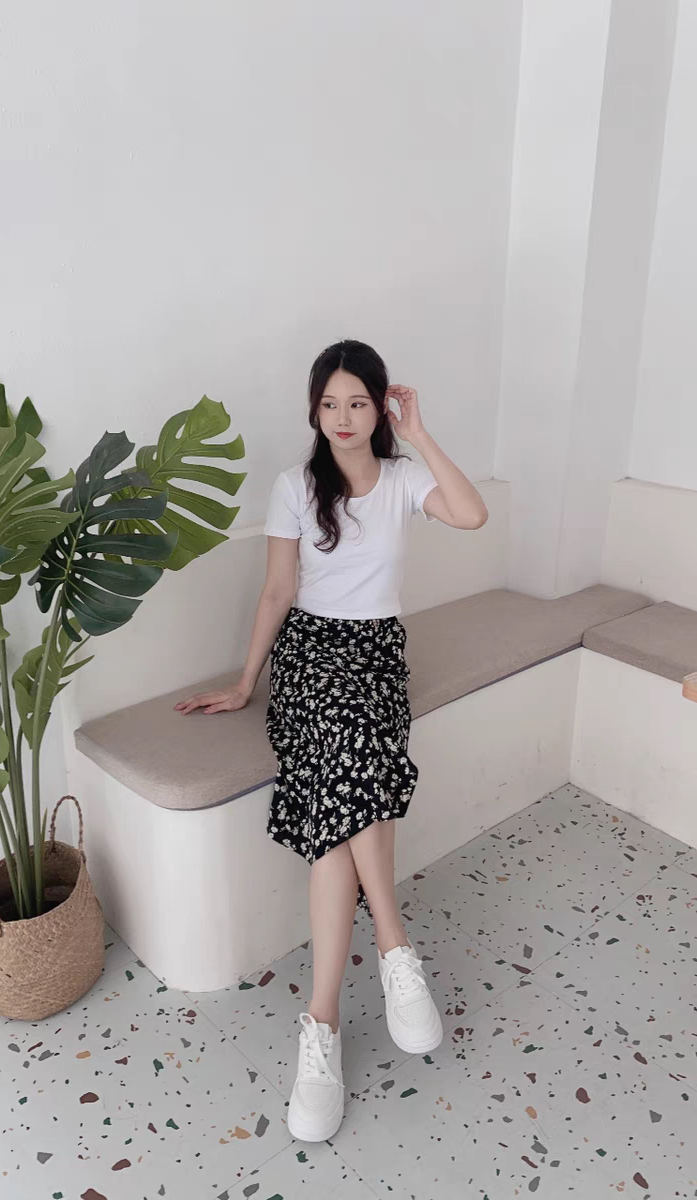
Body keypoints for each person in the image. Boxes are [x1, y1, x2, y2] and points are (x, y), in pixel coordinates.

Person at [174, 339, 488, 1142]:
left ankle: (321, 1024)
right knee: (353, 755)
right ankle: (395, 948)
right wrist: (247, 683)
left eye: (358, 403)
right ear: (313, 411)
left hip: (376, 655)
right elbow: (278, 591)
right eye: (330, 404)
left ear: (380, 408)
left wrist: (420, 435)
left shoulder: (405, 478)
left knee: (340, 796)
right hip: (310, 658)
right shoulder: (294, 486)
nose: (343, 418)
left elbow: (472, 514)